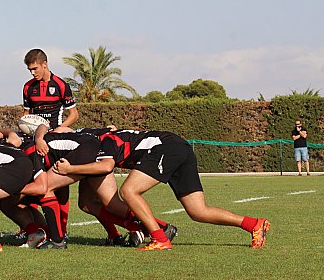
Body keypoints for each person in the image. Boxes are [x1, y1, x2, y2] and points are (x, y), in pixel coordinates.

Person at [51, 128, 271, 250]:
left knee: (129, 191)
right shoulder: (103, 139)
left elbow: (106, 165)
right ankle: (253, 224)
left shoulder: (105, 140)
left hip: (167, 148)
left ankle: (160, 238)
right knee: (198, 211)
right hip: (177, 147)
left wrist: (71, 167)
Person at [22, 48, 78, 239]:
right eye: (29, 69)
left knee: (60, 188)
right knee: (32, 181)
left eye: (34, 68)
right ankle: (32, 227)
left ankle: (62, 230)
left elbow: (74, 114)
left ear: (45, 64)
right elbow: (27, 116)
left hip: (56, 141)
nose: (32, 72)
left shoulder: (61, 85)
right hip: (35, 142)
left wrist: (59, 129)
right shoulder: (28, 87)